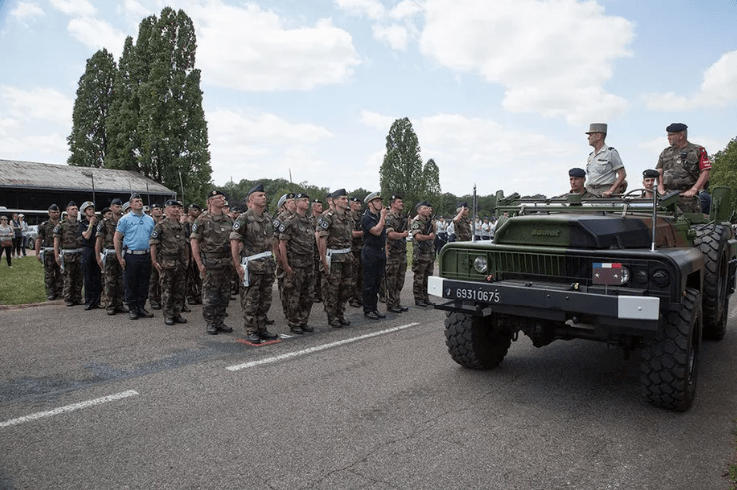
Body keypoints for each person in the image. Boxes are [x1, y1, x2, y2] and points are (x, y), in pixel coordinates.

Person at [230, 184, 278, 343]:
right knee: (251, 299)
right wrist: (237, 265)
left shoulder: (268, 218)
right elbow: (234, 241)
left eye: (264, 195)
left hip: (267, 265)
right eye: (259, 195)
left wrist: (274, 260)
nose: (263, 197)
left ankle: (262, 328)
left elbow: (272, 242)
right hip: (252, 266)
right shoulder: (244, 218)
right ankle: (251, 330)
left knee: (265, 300)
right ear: (251, 200)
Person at [191, 190, 234, 335]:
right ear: (209, 202)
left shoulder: (228, 220)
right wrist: (199, 264)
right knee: (210, 295)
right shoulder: (202, 220)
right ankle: (210, 322)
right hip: (210, 263)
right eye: (218, 198)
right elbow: (194, 242)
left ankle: (220, 321)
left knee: (225, 294)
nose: (222, 200)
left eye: (223, 197)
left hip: (226, 263)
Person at [277, 193, 316, 334]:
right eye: (304, 200)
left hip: (309, 264)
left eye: (307, 200)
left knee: (308, 295)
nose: (307, 203)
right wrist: (285, 265)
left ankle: (304, 320)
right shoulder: (289, 221)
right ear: (296, 203)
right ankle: (294, 322)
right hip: (296, 264)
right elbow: (282, 244)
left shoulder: (310, 221)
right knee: (294, 295)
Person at [114, 193, 156, 320]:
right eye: (136, 201)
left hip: (145, 254)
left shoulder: (149, 219)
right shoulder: (125, 219)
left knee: (144, 282)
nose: (139, 203)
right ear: (131, 204)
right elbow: (116, 239)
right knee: (131, 283)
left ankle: (141, 307)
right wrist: (119, 257)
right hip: (131, 255)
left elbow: (153, 239)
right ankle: (132, 308)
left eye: (140, 201)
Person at [317, 189, 354, 327]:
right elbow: (322, 239)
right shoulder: (328, 217)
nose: (346, 201)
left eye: (346, 198)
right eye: (343, 199)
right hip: (334, 257)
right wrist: (323, 258)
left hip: (347, 257)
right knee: (332, 289)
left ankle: (340, 313)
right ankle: (332, 317)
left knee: (346, 288)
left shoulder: (348, 217)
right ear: (335, 201)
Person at [656, 123, 711, 214]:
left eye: (671, 135)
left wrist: (694, 189)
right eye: (668, 135)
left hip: (689, 198)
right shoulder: (665, 152)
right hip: (667, 197)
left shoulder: (697, 150)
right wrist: (660, 188)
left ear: (681, 135)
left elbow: (706, 172)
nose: (668, 138)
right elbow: (659, 171)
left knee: (688, 223)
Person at [150, 200, 188, 325]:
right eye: (173, 207)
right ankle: (168, 315)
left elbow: (185, 244)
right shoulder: (160, 226)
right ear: (166, 210)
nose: (176, 209)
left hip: (180, 263)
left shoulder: (181, 226)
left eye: (177, 207)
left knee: (179, 290)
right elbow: (153, 244)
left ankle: (177, 313)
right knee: (167, 290)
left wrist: (187, 259)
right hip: (167, 262)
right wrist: (154, 261)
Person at [96, 198, 127, 315]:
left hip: (123, 253)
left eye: (120, 206)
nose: (118, 208)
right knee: (109, 281)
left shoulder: (125, 221)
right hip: (110, 254)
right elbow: (99, 240)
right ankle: (110, 304)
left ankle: (119, 303)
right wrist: (98, 257)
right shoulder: (104, 222)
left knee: (121, 280)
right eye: (116, 206)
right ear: (111, 208)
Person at [361, 191, 387, 320]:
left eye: (380, 201)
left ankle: (374, 308)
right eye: (377, 201)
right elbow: (376, 232)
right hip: (370, 251)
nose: (380, 203)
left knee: (377, 282)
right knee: (369, 282)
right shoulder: (366, 218)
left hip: (380, 251)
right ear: (370, 204)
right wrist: (382, 217)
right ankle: (368, 309)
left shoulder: (377, 217)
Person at [53, 201, 84, 306]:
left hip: (79, 254)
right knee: (68, 278)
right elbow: (56, 241)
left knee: (79, 278)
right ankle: (68, 298)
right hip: (68, 255)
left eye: (76, 209)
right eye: (72, 209)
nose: (75, 211)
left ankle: (78, 297)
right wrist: (56, 255)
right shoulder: (62, 225)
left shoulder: (80, 224)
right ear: (67, 211)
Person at [584, 123, 626, 197]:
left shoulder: (610, 152)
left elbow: (622, 175)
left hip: (604, 193)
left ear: (598, 136)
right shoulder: (591, 156)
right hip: (590, 192)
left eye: (590, 135)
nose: (588, 138)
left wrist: (611, 190)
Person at [385, 194, 409, 313]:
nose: (402, 203)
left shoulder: (402, 217)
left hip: (401, 253)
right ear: (393, 204)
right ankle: (391, 304)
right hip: (392, 253)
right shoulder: (388, 217)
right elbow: (390, 234)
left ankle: (397, 302)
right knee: (391, 280)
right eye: (399, 202)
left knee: (400, 280)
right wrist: (402, 235)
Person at [35, 204, 64, 299]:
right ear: (49, 213)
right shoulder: (44, 226)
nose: (56, 214)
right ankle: (50, 292)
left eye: (57, 212)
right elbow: (39, 239)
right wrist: (37, 252)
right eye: (53, 212)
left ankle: (60, 291)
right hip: (49, 252)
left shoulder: (62, 224)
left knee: (60, 273)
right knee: (49, 274)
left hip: (60, 252)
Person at [411, 201, 436, 307]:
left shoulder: (429, 221)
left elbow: (434, 234)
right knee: (419, 278)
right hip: (420, 254)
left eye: (428, 208)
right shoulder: (416, 221)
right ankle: (418, 298)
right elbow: (418, 237)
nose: (427, 210)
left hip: (429, 253)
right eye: (424, 208)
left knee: (428, 277)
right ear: (419, 210)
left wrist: (433, 226)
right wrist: (429, 237)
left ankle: (426, 297)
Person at [79, 201, 102, 310]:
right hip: (87, 250)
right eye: (89, 209)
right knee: (88, 277)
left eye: (92, 209)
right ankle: (89, 301)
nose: (91, 211)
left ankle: (97, 301)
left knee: (97, 277)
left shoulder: (99, 223)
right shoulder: (82, 224)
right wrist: (91, 224)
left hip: (97, 250)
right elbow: (87, 236)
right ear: (84, 212)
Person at [185, 203, 203, 305]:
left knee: (198, 275)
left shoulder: (199, 223)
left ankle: (199, 295)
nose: (196, 212)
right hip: (188, 251)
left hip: (198, 251)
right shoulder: (185, 223)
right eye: (194, 210)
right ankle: (190, 295)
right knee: (189, 276)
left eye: (197, 210)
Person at [348, 196, 364, 308]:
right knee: (353, 276)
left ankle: (359, 297)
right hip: (352, 250)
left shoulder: (360, 217)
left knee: (361, 275)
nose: (359, 205)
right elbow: (352, 234)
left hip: (361, 249)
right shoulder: (348, 217)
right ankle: (352, 298)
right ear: (352, 204)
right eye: (357, 203)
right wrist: (364, 232)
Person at [148, 203, 164, 310]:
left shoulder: (163, 223)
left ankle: (160, 298)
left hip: (164, 253)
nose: (158, 211)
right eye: (156, 209)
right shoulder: (149, 223)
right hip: (153, 252)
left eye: (159, 209)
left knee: (162, 277)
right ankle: (153, 299)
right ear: (151, 211)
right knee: (153, 277)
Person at [310, 198, 324, 303]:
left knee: (321, 272)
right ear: (313, 207)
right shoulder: (310, 220)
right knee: (314, 273)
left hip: (321, 249)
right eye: (318, 205)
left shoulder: (323, 219)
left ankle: (321, 293)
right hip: (313, 250)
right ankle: (314, 293)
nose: (321, 207)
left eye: (321, 205)